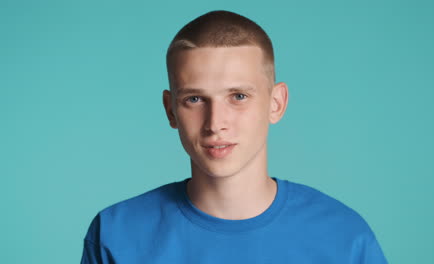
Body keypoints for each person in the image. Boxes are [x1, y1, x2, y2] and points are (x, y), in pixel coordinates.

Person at [80, 10, 388, 263]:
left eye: (238, 96)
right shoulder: (116, 235)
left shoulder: (344, 238)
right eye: (194, 99)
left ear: (276, 103)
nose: (216, 123)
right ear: (170, 109)